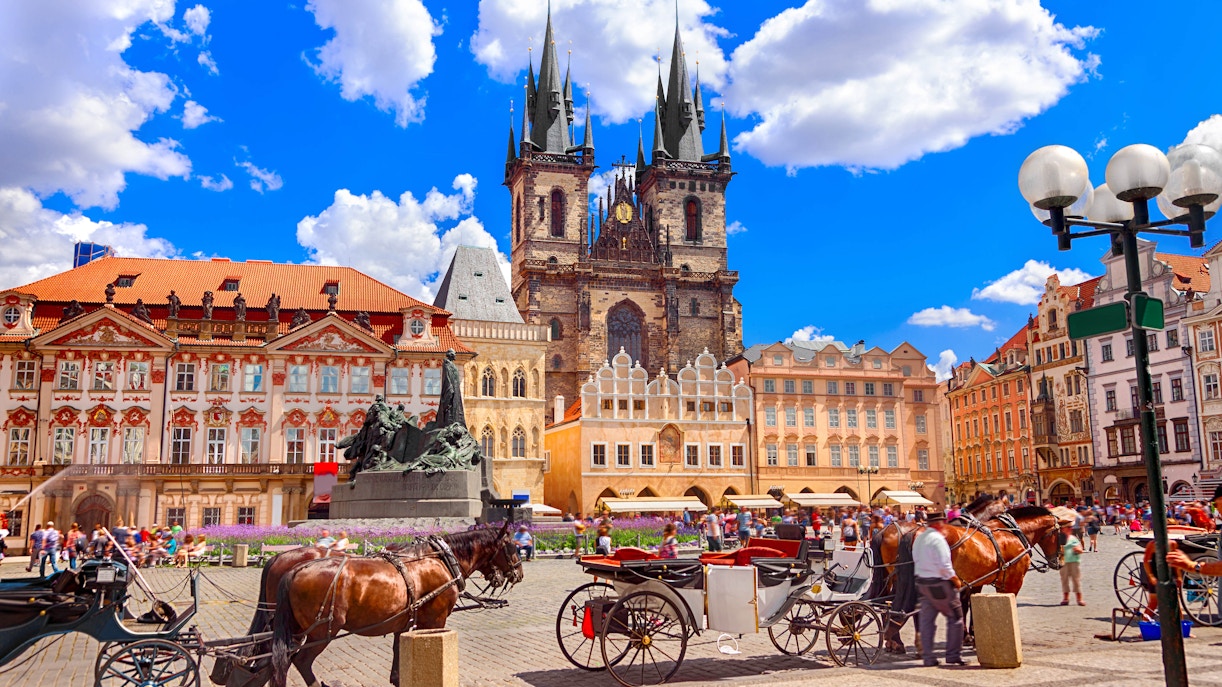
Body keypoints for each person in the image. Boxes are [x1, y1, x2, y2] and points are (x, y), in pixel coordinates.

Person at [912, 511, 966, 667]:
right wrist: (955, 580)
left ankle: (928, 657)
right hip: (939, 585)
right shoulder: (938, 540)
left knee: (927, 621)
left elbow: (915, 558)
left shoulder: (920, 538)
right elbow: (945, 565)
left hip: (922, 583)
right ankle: (953, 655)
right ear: (939, 524)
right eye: (943, 522)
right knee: (956, 618)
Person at [1059, 523, 1085, 606]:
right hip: (1063, 562)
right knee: (1064, 580)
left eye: (1070, 528)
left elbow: (1081, 549)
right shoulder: (1059, 539)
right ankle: (1066, 599)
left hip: (1074, 562)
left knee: (1076, 580)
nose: (1070, 529)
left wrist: (1078, 549)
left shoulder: (1073, 538)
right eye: (1068, 527)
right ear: (1063, 529)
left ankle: (1079, 599)